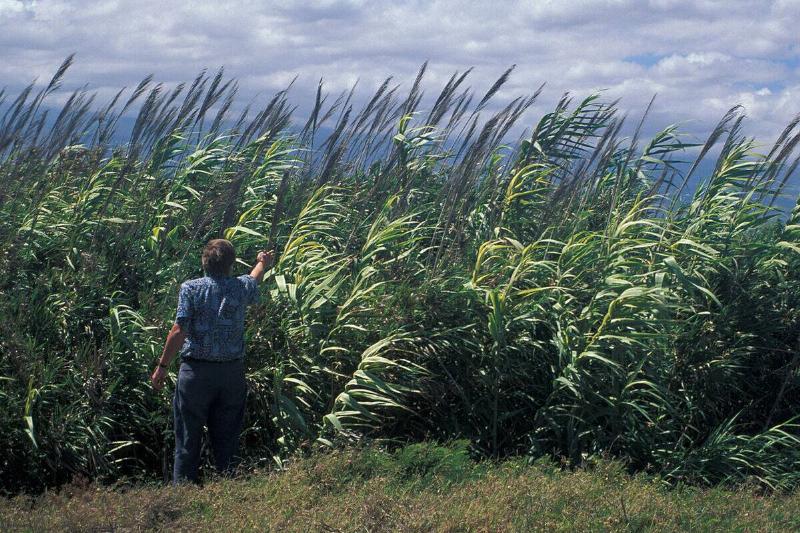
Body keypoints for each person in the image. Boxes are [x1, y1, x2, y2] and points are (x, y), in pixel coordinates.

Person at [150, 239, 273, 484]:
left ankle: (183, 493)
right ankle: (226, 491)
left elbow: (178, 330)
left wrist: (162, 367)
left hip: (196, 374)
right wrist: (262, 262)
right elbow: (254, 278)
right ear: (230, 264)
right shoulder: (239, 287)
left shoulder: (191, 289)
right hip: (231, 374)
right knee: (227, 438)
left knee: (187, 437)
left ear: (204, 262)